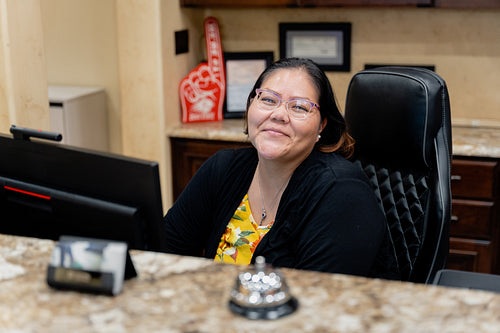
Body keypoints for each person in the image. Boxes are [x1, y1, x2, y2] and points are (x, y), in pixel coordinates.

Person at [164, 58, 398, 279]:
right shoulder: (223, 168)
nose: (278, 115)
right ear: (250, 107)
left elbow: (317, 300)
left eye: (299, 107)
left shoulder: (343, 193)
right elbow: (164, 251)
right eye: (268, 99)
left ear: (321, 126)